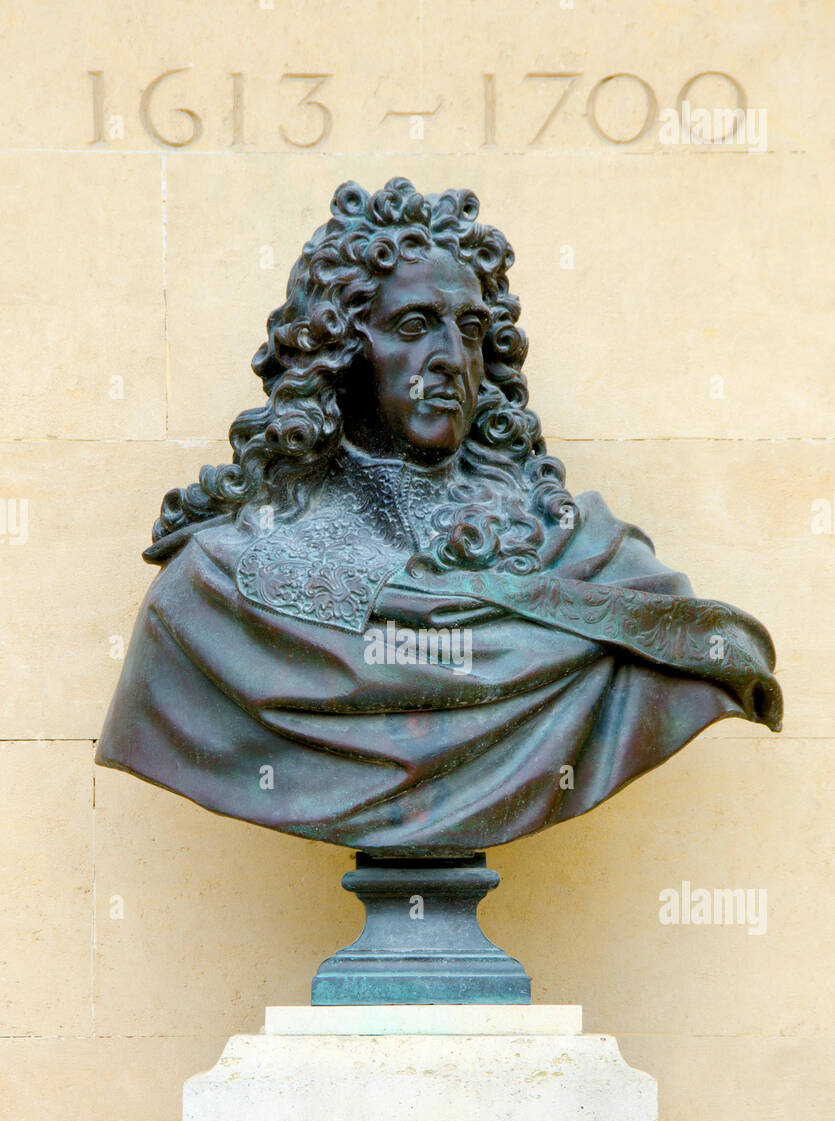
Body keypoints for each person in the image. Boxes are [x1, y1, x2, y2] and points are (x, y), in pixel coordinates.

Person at [96, 177, 781, 852]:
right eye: (414, 326)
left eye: (472, 330)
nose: (450, 359)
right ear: (341, 353)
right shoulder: (206, 597)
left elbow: (706, 649)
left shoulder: (590, 561)